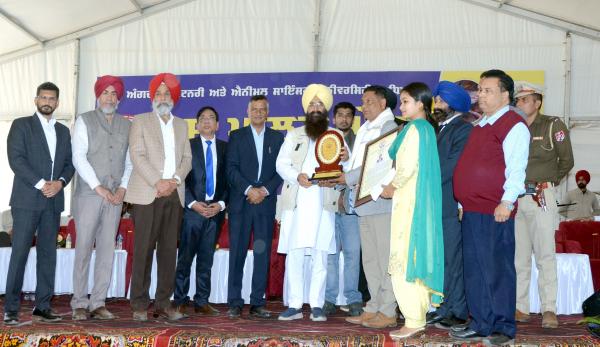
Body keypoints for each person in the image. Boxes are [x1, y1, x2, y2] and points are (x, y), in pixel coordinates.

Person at [451, 69, 530, 345]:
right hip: (472, 210)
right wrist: (462, 201)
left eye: (487, 91)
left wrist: (507, 201)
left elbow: (517, 168)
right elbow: (470, 167)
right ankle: (481, 322)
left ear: (505, 95)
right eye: (480, 90)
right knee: (475, 269)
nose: (481, 95)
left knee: (497, 269)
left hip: (495, 209)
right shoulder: (481, 125)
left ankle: (503, 326)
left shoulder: (513, 124)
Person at [4, 82, 75, 325]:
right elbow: (16, 159)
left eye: (52, 98)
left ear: (57, 103)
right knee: (19, 254)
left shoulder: (64, 131)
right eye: (43, 97)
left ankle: (42, 306)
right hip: (26, 200)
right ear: (36, 100)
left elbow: (70, 163)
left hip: (53, 202)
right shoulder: (21, 125)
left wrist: (61, 183)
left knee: (48, 255)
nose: (47, 101)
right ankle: (11, 309)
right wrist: (42, 183)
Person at [379, 82, 444, 339]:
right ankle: (415, 317)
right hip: (412, 199)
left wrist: (391, 187)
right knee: (412, 253)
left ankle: (414, 319)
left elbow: (406, 167)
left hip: (409, 202)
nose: (402, 106)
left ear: (421, 104)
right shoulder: (423, 129)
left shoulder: (417, 128)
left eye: (406, 101)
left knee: (406, 256)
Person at [125, 72, 192, 321]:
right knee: (143, 250)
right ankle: (139, 305)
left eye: (167, 93)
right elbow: (137, 155)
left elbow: (187, 159)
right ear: (152, 97)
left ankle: (164, 303)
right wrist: (158, 181)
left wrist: (173, 181)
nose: (163, 97)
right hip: (147, 193)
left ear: (174, 98)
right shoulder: (140, 121)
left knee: (167, 252)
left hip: (174, 194)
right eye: (158, 93)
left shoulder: (182, 124)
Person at [276, 84, 342, 321]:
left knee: (320, 254)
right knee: (294, 254)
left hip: (323, 203)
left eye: (320, 104)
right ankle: (294, 304)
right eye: (312, 104)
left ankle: (316, 304)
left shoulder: (336, 136)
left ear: (326, 109)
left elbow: (347, 168)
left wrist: (341, 165)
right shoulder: (294, 134)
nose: (315, 108)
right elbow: (281, 164)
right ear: (306, 109)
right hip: (297, 201)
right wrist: (297, 176)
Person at [335, 85, 399, 329]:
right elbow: (359, 161)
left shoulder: (387, 127)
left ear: (383, 104)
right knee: (370, 262)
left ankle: (388, 310)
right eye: (363, 102)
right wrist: (344, 162)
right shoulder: (365, 128)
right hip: (364, 203)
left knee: (384, 260)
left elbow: (379, 165)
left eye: (370, 102)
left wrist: (347, 178)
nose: (364, 106)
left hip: (380, 202)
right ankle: (373, 307)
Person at [71, 75, 132, 321]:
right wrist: (99, 187)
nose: (109, 97)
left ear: (119, 98)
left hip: (115, 197)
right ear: (98, 96)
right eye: (105, 92)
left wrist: (123, 189)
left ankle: (98, 302)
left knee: (107, 250)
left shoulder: (127, 125)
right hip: (89, 194)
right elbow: (78, 157)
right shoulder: (84, 120)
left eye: (113, 93)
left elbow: (130, 162)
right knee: (83, 248)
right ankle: (79, 303)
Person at [513, 81, 574, 328]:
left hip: (541, 196)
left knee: (545, 255)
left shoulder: (552, 124)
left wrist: (549, 182)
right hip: (517, 197)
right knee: (519, 257)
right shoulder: (513, 126)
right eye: (517, 100)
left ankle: (549, 308)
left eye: (525, 99)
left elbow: (567, 160)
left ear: (537, 102)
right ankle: (520, 306)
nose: (520, 103)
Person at [226, 95, 284, 319]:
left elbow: (280, 170)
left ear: (267, 113)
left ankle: (258, 302)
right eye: (254, 109)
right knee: (237, 254)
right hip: (242, 203)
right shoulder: (237, 136)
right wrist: (249, 189)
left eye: (262, 110)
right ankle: (235, 302)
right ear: (248, 112)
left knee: (262, 255)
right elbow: (231, 169)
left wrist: (264, 191)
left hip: (265, 205)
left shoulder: (277, 138)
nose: (258, 113)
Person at [426, 81, 473, 330]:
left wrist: (423, 180)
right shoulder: (439, 129)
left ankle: (457, 311)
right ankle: (444, 307)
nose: (437, 105)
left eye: (442, 101)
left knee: (454, 260)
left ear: (455, 105)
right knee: (441, 260)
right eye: (436, 100)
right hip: (437, 204)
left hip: (451, 204)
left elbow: (452, 167)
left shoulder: (463, 130)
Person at [174, 106, 228, 316]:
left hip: (216, 212)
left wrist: (221, 204)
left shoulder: (226, 148)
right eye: (202, 119)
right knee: (185, 258)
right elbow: (180, 179)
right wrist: (192, 203)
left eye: (211, 118)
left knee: (206, 260)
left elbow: (230, 181)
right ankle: (179, 300)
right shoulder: (187, 146)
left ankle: (202, 301)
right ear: (196, 125)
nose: (207, 122)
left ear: (217, 125)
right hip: (192, 212)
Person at [322, 102, 363, 317]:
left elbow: (364, 171)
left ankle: (353, 297)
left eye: (348, 116)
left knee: (352, 253)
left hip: (352, 206)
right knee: (330, 254)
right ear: (333, 118)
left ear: (353, 119)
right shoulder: (326, 140)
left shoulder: (361, 142)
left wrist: (345, 186)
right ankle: (329, 298)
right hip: (329, 204)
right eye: (340, 115)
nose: (344, 119)